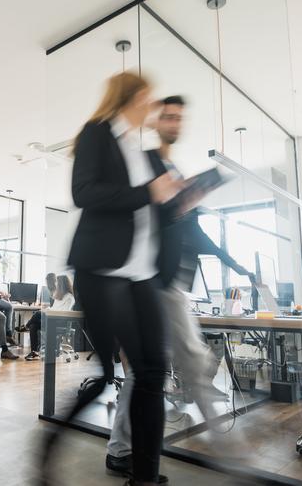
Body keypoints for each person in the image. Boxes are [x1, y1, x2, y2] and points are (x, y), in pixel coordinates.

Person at [40, 72, 183, 486]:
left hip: (141, 274)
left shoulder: (140, 151)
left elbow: (149, 211)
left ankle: (144, 477)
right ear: (132, 97)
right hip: (102, 270)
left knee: (153, 371)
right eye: (148, 98)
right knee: (106, 374)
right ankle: (49, 444)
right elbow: (84, 193)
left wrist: (176, 201)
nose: (152, 107)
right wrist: (148, 193)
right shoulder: (96, 134)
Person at [105, 96, 253, 481]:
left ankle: (121, 450)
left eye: (179, 117)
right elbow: (143, 215)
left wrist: (236, 265)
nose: (174, 122)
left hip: (168, 282)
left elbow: (197, 234)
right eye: (168, 116)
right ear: (156, 121)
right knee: (189, 359)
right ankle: (229, 453)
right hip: (154, 281)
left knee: (147, 372)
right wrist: (182, 198)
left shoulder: (172, 168)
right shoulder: (150, 163)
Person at [23, 274, 75, 361]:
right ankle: (34, 352)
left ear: (62, 284)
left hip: (60, 322)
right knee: (34, 326)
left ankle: (25, 327)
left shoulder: (70, 297)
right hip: (52, 320)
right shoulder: (58, 295)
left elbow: (64, 312)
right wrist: (48, 309)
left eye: (57, 283)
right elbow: (55, 309)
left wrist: (48, 311)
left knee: (38, 313)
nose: (56, 285)